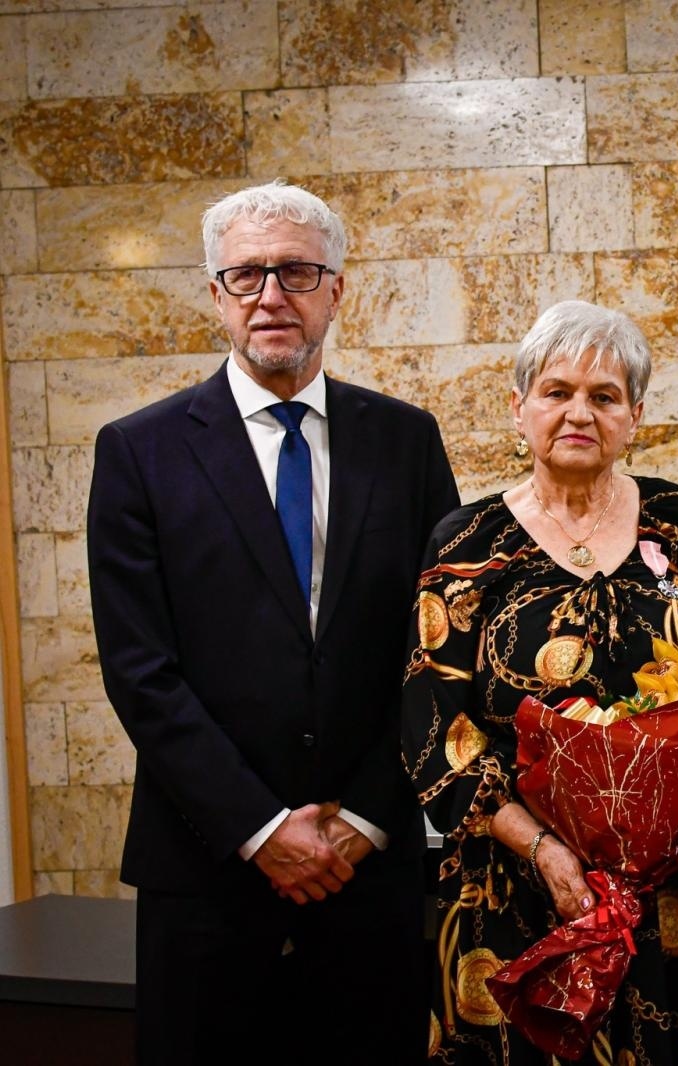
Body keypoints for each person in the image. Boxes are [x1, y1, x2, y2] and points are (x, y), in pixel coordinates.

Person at [86, 180, 461, 1065]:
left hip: (369, 872)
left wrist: (363, 820)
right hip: (209, 870)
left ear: (337, 289)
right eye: (246, 275)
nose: (271, 297)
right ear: (215, 294)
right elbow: (141, 670)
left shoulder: (406, 441)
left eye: (296, 271)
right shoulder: (139, 451)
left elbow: (439, 645)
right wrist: (263, 828)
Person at [402, 299, 678, 1064]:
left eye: (604, 396)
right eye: (556, 391)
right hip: (518, 891)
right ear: (519, 408)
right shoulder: (468, 543)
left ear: (635, 415)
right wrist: (546, 853)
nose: (578, 413)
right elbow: (438, 734)